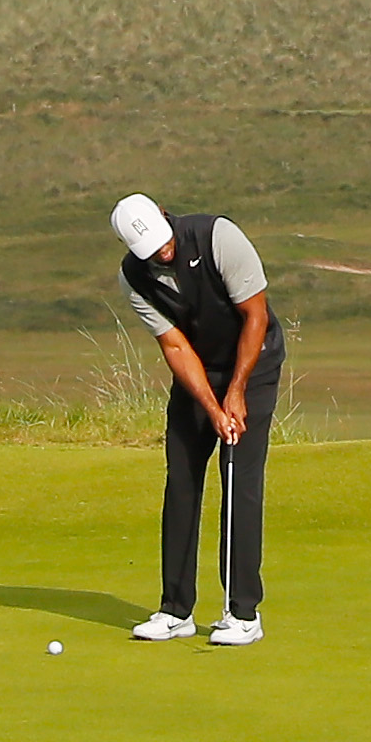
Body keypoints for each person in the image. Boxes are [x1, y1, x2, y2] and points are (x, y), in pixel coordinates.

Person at [112, 191, 283, 645]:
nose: (163, 253)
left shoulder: (218, 237)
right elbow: (175, 346)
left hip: (254, 361)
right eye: (151, 252)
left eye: (165, 243)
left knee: (238, 478)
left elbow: (255, 315)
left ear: (167, 218)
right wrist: (211, 405)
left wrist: (237, 393)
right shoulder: (134, 277)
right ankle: (176, 610)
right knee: (182, 477)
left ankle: (243, 613)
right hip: (199, 371)